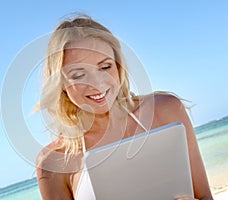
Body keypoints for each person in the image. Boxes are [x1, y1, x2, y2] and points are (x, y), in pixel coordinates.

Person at [35, 15, 213, 200]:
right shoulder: (53, 162)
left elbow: (205, 196)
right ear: (60, 84)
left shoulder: (167, 110)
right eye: (79, 74)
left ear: (118, 66)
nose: (97, 83)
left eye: (105, 67)